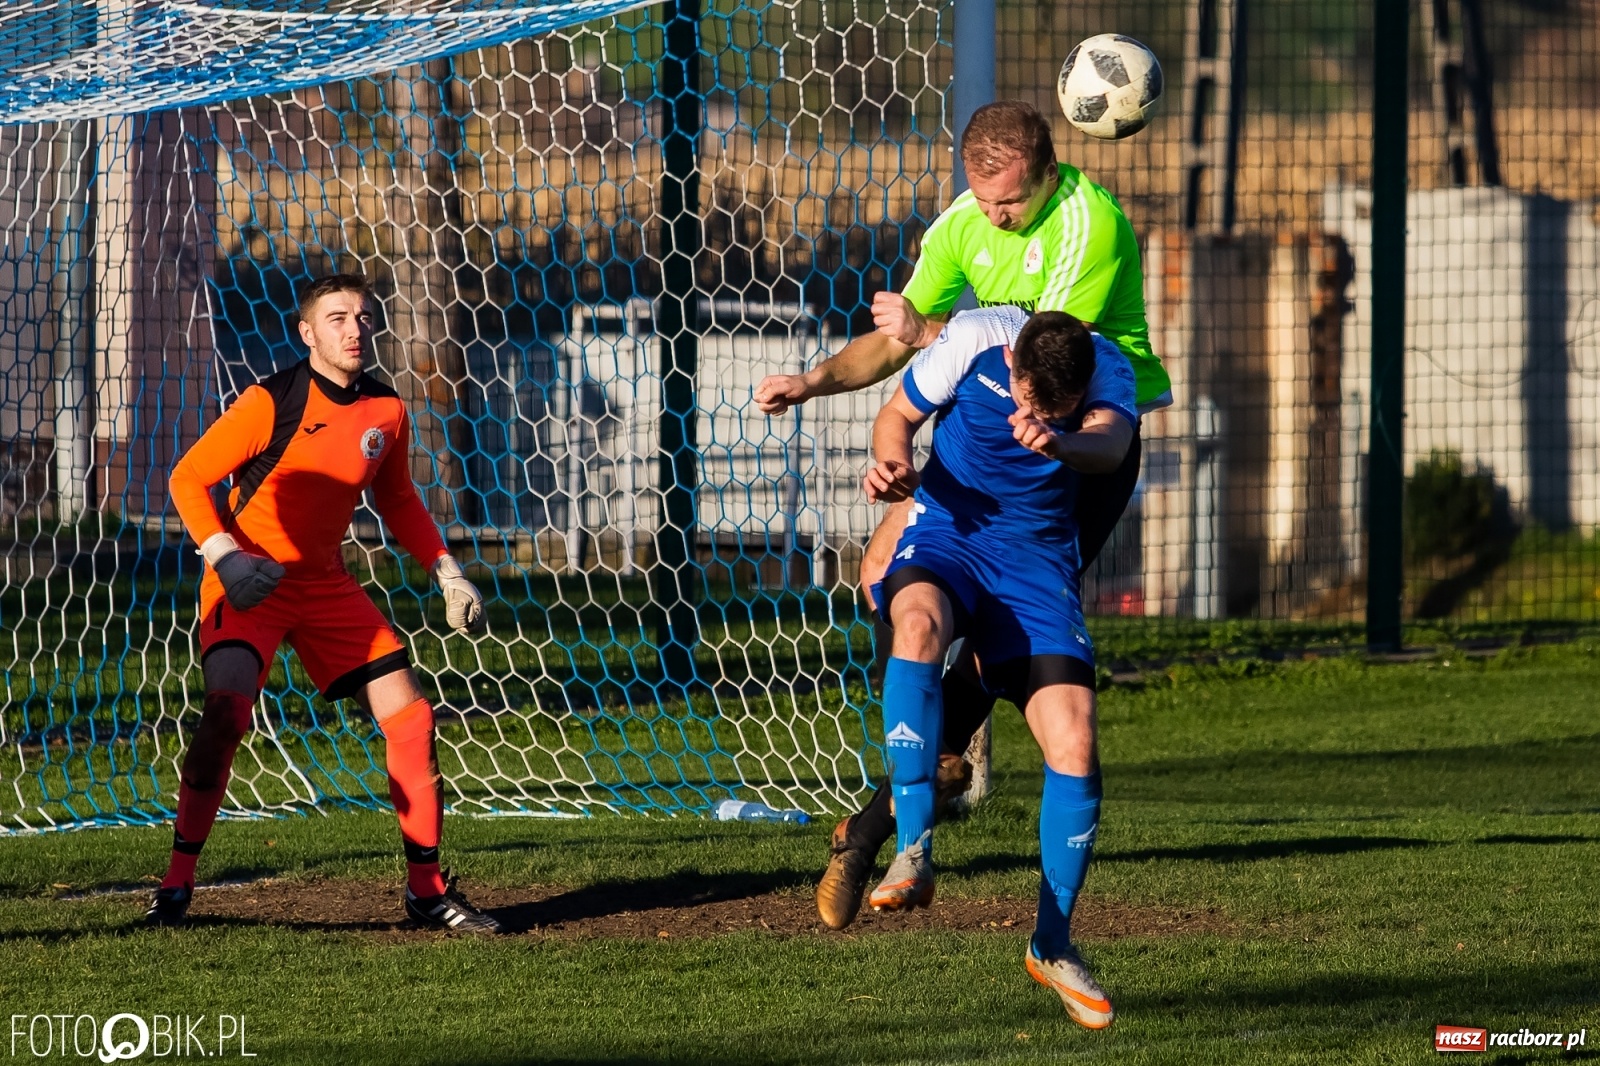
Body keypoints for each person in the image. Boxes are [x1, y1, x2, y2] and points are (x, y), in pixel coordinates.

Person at [753, 100, 1171, 930]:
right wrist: (813, 381)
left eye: (1010, 202)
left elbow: (1047, 358)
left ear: (1048, 175)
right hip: (995, 425)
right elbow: (905, 345)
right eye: (983, 200)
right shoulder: (963, 222)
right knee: (890, 580)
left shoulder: (1088, 226)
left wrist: (931, 330)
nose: (995, 216)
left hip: (1080, 441)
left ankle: (885, 820)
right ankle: (917, 786)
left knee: (995, 640)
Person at [145, 273, 501, 934]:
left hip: (326, 586)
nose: (354, 330)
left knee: (413, 721)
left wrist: (448, 572)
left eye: (363, 317)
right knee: (225, 716)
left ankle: (426, 893)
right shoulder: (269, 401)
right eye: (337, 318)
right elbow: (187, 477)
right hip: (247, 582)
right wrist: (226, 558)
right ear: (307, 332)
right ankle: (175, 884)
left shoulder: (386, 409)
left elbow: (398, 499)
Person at [864, 308, 1135, 1029]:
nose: (1032, 415)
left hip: (1036, 564)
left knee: (1075, 742)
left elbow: (1111, 446)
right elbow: (896, 415)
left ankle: (1052, 944)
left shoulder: (1106, 366)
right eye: (1026, 400)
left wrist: (1064, 440)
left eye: (1054, 408)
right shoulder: (975, 338)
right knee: (917, 625)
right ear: (1012, 364)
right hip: (950, 533)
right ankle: (913, 848)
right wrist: (893, 463)